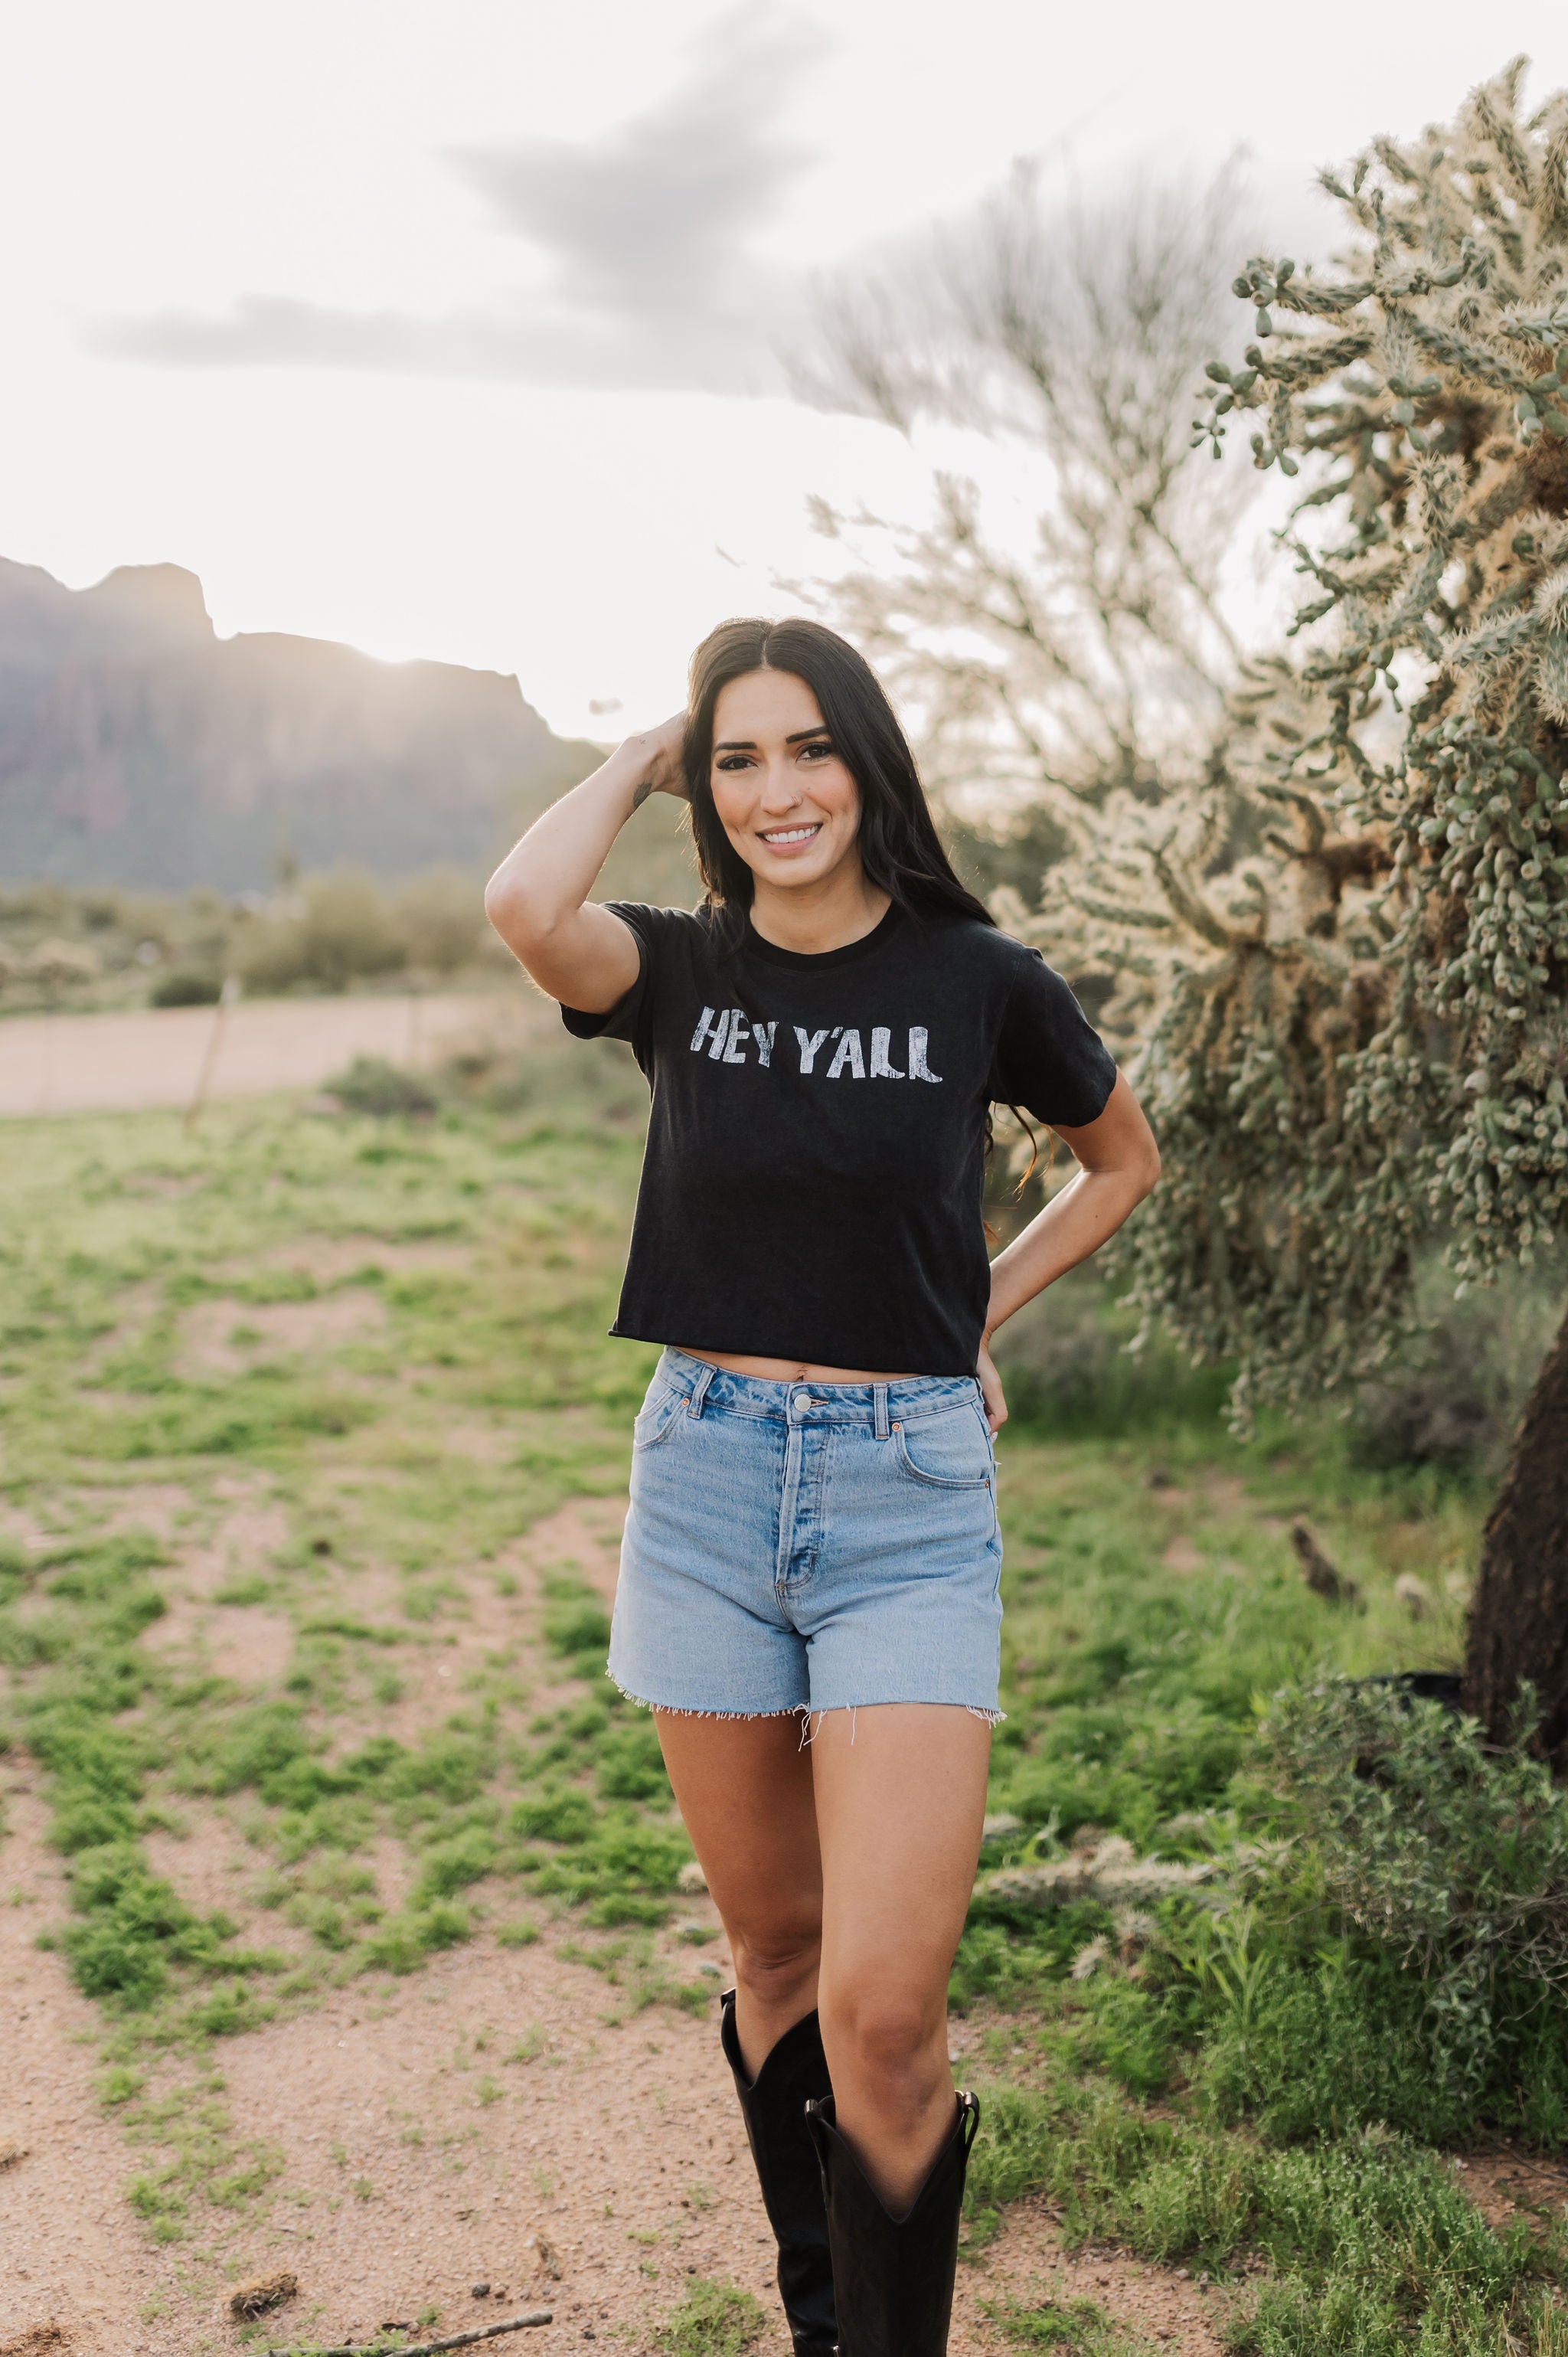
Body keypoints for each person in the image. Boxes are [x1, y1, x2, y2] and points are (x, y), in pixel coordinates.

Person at [485, 617, 1159, 2357]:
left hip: (904, 1500)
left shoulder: (977, 978)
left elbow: (1117, 1164)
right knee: (774, 1953)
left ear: (866, 763)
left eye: (808, 749)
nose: (777, 790)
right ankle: (827, 2331)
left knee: (883, 2008)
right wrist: (641, 752)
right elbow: (520, 912)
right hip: (703, 1483)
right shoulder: (674, 969)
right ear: (703, 786)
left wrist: (968, 1311)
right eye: (738, 758)